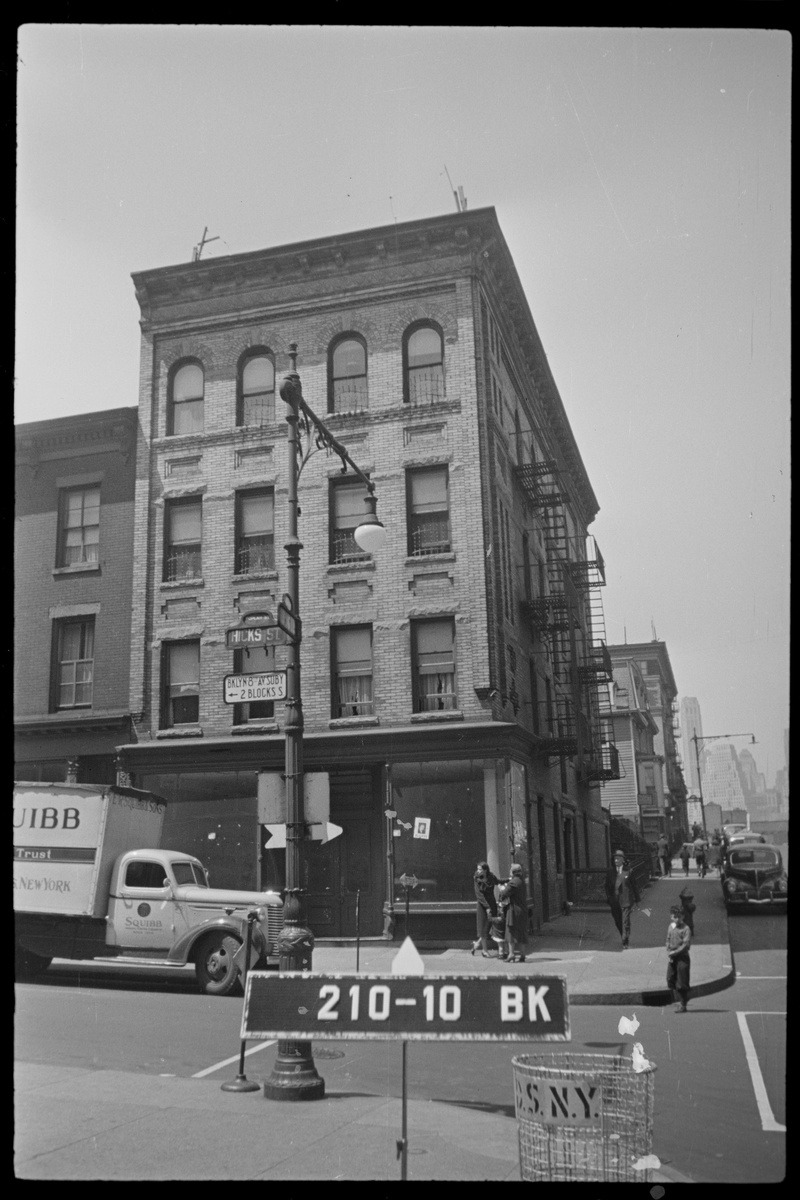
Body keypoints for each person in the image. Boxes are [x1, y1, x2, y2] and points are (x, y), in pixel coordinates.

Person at [605, 849, 641, 948]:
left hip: (626, 900)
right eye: (614, 859)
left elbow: (634, 886)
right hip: (614, 901)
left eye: (618, 859)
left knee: (625, 921)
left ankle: (625, 939)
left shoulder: (629, 871)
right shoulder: (610, 872)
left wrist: (637, 900)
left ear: (622, 859)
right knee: (618, 921)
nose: (616, 860)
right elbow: (607, 887)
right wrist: (609, 898)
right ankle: (623, 935)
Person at [499, 863, 528, 963]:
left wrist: (501, 889)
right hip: (522, 910)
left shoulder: (513, 882)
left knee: (511, 932)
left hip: (514, 910)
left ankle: (511, 954)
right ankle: (522, 955)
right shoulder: (521, 881)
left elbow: (503, 895)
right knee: (522, 932)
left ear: (513, 872)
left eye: (510, 870)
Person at [666, 903, 692, 1012]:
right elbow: (668, 938)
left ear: (682, 917)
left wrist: (675, 952)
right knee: (670, 978)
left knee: (682, 981)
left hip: (682, 957)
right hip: (673, 956)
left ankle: (683, 1004)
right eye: (674, 917)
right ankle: (680, 998)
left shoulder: (686, 929)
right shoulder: (671, 926)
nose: (676, 919)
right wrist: (668, 949)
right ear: (671, 916)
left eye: (679, 917)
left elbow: (685, 945)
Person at [471, 861, 499, 957]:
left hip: (492, 904)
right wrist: (487, 907)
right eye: (478, 869)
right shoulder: (476, 878)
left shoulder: (491, 876)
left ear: (485, 870)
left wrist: (509, 880)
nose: (478, 871)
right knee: (483, 928)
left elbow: (498, 882)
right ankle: (485, 951)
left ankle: (477, 944)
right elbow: (479, 895)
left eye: (480, 869)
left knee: (490, 926)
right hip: (483, 906)